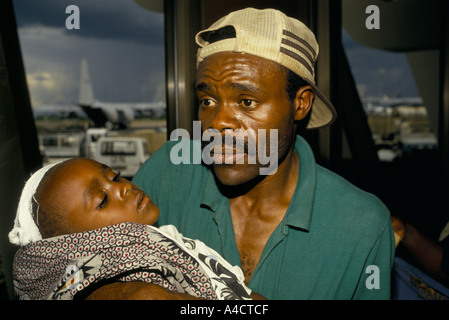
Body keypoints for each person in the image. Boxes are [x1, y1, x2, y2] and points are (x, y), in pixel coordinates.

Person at [132, 8, 395, 299]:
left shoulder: (362, 224)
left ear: (301, 103)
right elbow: (84, 262)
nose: (217, 122)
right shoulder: (168, 172)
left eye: (246, 101)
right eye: (207, 100)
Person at [8, 158, 256, 300]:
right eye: (102, 200)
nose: (123, 188)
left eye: (115, 177)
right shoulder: (126, 271)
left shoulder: (166, 238)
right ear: (80, 244)